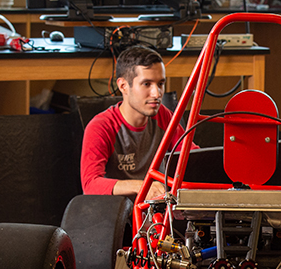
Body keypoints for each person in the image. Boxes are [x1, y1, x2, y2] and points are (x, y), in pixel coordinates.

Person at [80, 46, 198, 198]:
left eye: (160, 84)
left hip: (157, 210)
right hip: (117, 213)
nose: (157, 93)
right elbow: (90, 184)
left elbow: (192, 156)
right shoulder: (101, 127)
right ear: (123, 86)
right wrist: (143, 186)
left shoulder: (163, 115)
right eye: (146, 84)